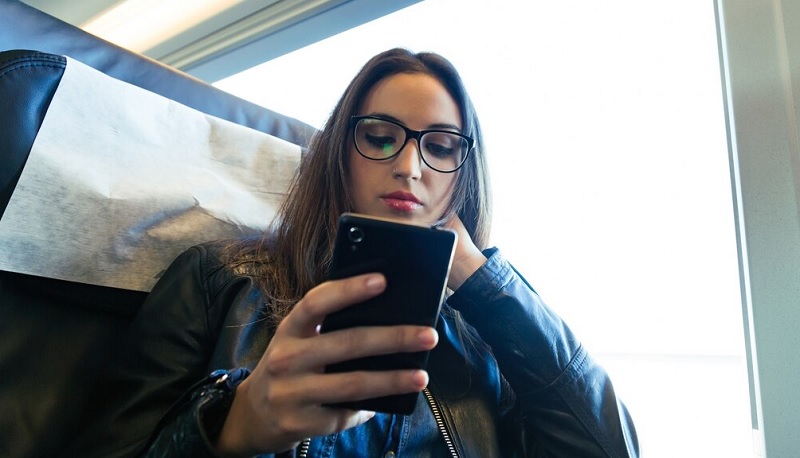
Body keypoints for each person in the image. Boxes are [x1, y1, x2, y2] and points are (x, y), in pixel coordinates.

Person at [69, 48, 639, 457]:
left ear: (463, 178)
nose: (409, 167)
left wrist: (483, 280)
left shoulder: (488, 340)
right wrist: (231, 429)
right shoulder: (218, 280)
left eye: (441, 148)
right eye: (380, 137)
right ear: (340, 152)